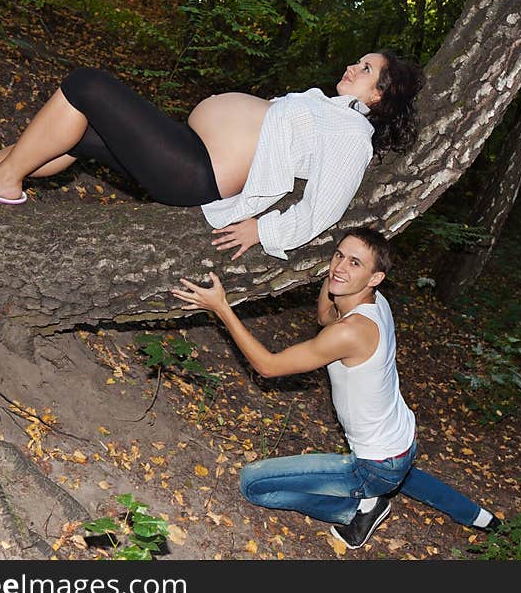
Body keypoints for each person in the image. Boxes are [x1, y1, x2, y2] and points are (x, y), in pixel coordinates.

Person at [0, 52, 423, 261]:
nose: (354, 67)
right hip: (188, 151)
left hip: (194, 172)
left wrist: (265, 231)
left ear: (381, 95)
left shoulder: (353, 133)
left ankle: (3, 181)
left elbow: (326, 207)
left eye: (367, 69)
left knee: (87, 86)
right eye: (359, 61)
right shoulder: (326, 108)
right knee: (79, 133)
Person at [171, 227, 502, 550]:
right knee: (399, 477)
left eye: (354, 263)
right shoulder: (376, 303)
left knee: (253, 484)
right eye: (338, 256)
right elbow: (324, 317)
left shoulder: (352, 332)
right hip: (402, 443)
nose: (340, 266)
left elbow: (268, 367)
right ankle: (482, 518)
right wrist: (335, 278)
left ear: (375, 278)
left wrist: (222, 308)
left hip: (375, 465)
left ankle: (359, 509)